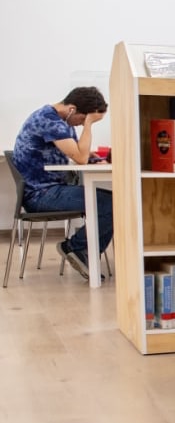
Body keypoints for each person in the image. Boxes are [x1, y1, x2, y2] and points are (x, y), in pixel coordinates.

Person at [11, 86, 112, 281]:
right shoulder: (50, 121)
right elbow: (80, 158)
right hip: (40, 195)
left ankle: (83, 251)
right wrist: (90, 125)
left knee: (107, 201)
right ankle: (76, 248)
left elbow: (78, 154)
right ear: (72, 109)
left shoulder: (60, 121)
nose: (82, 125)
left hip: (52, 189)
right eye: (83, 119)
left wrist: (93, 157)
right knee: (108, 204)